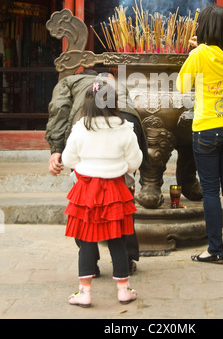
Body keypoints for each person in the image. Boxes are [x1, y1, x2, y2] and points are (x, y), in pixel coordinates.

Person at [45, 68, 150, 274]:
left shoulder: (70, 82)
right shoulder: (113, 85)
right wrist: (122, 170)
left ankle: (89, 266)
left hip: (86, 123)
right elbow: (134, 160)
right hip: (128, 121)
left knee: (86, 215)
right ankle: (126, 262)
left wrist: (56, 149)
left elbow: (59, 109)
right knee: (122, 204)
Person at [62, 79, 143, 307]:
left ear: (87, 105)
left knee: (87, 241)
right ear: (115, 103)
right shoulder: (125, 129)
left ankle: (85, 292)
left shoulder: (80, 129)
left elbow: (68, 159)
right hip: (116, 191)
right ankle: (123, 290)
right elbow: (135, 161)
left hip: (87, 191)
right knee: (118, 241)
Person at [176, 4, 223, 264]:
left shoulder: (200, 54)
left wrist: (195, 53)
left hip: (206, 128)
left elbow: (182, 86)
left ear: (203, 28)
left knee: (210, 192)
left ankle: (214, 249)